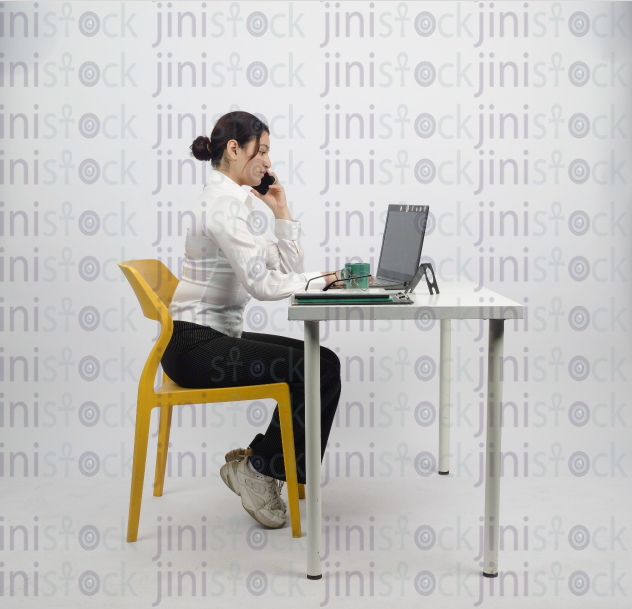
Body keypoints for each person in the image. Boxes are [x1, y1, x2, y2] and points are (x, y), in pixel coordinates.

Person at [161, 111, 364, 530]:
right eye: (263, 150)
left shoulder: (236, 205)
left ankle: (261, 465)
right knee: (318, 369)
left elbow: (286, 264)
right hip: (194, 349)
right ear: (234, 150)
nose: (268, 162)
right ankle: (260, 471)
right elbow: (260, 283)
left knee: (322, 362)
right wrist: (321, 280)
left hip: (208, 340)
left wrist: (281, 210)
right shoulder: (223, 208)